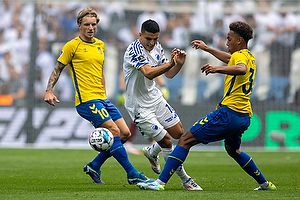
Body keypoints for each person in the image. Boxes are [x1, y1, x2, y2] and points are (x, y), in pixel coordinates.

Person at [137, 21, 277, 191]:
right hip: (244, 116)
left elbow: (241, 69)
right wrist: (207, 48)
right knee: (233, 150)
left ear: (239, 40)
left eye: (229, 39)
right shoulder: (249, 56)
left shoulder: (241, 60)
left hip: (228, 113)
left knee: (185, 140)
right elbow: (231, 60)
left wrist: (216, 69)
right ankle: (264, 183)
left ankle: (160, 182)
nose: (226, 42)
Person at [44, 7, 148, 185]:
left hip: (102, 99)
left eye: (93, 24)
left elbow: (100, 72)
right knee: (114, 131)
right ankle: (132, 173)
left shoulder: (101, 45)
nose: (91, 28)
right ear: (79, 25)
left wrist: (105, 94)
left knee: (124, 134)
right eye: (87, 25)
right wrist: (49, 90)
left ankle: (94, 165)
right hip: (86, 100)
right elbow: (58, 68)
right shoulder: (72, 46)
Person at [122, 19, 201, 190]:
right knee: (166, 141)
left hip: (155, 97)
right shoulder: (134, 50)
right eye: (148, 39)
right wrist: (170, 63)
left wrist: (178, 65)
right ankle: (185, 180)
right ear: (140, 35)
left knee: (178, 133)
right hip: (138, 106)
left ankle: (151, 152)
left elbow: (169, 74)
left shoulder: (157, 47)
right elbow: (149, 73)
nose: (151, 43)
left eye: (155, 39)